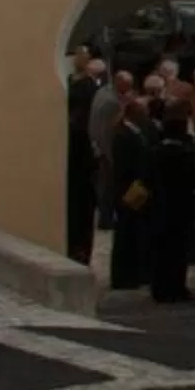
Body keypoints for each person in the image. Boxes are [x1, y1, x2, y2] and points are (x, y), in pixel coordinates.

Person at [142, 100, 195, 304]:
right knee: (178, 249)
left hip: (159, 206)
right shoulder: (186, 153)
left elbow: (146, 179)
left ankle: (160, 287)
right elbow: (193, 181)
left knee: (160, 249)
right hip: (181, 207)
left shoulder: (154, 152)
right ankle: (176, 286)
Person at [105, 89, 153, 294]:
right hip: (128, 190)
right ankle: (124, 276)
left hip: (130, 189)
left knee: (132, 233)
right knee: (127, 233)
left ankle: (132, 273)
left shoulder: (130, 133)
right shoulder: (125, 136)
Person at [63, 46, 102, 264]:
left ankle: (81, 248)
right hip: (72, 147)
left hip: (82, 149)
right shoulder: (70, 82)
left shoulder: (89, 86)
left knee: (83, 201)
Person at [87, 68, 132, 234]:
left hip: (97, 144)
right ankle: (106, 219)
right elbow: (108, 129)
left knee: (103, 184)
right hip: (106, 148)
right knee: (108, 186)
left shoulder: (101, 92)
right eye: (127, 87)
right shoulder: (112, 102)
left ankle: (105, 218)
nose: (128, 90)